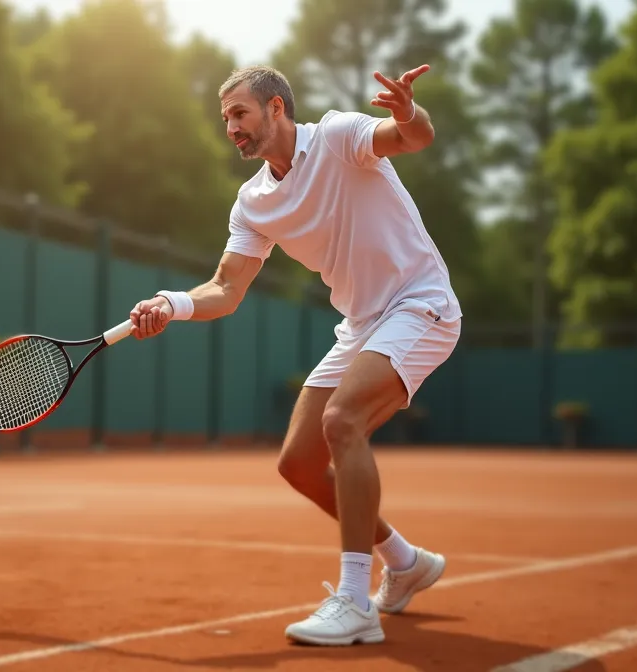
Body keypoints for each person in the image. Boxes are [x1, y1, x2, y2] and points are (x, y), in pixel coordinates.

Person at [126, 64, 461, 646]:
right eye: (226, 118)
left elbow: (413, 138)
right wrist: (171, 303)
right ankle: (405, 562)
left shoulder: (337, 136)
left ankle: (356, 601)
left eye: (240, 114)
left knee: (342, 420)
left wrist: (406, 111)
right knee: (298, 463)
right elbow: (226, 290)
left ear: (277, 107)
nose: (231, 127)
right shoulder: (251, 201)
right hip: (361, 324)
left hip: (420, 304)